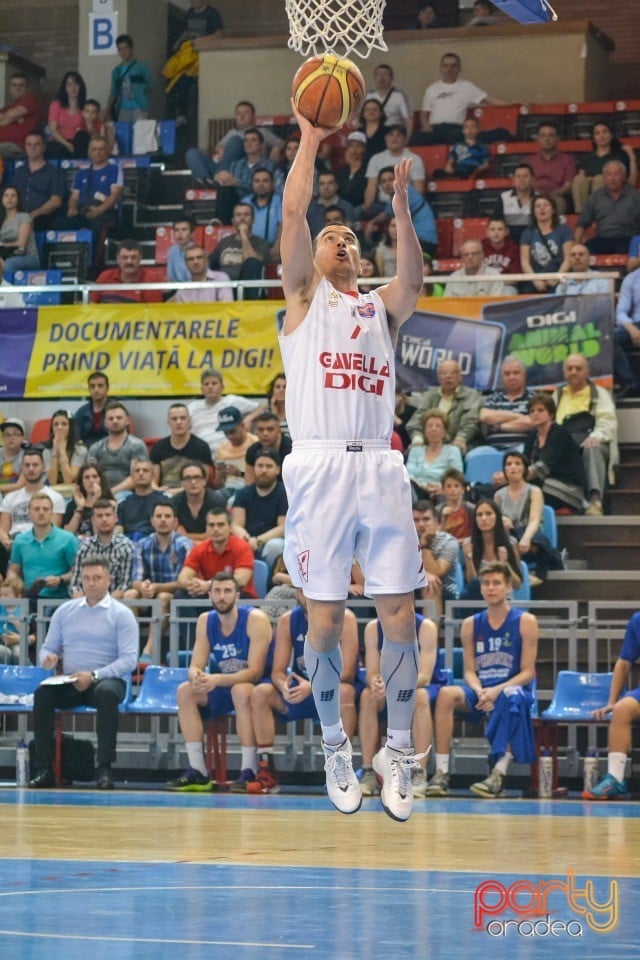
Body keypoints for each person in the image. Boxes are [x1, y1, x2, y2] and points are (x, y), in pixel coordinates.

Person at [278, 98, 427, 823]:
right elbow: (293, 215)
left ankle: (398, 750)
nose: (336, 240)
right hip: (318, 466)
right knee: (327, 622)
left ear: (359, 257)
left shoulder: (378, 307)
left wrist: (399, 207)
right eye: (330, 235)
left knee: (398, 612)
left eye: (346, 237)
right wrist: (308, 141)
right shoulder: (305, 299)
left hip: (381, 465)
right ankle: (336, 744)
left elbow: (415, 281)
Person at [425, 561, 538, 797]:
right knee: (446, 694)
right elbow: (469, 671)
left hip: (512, 691)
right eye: (486, 583)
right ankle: (442, 773)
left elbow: (528, 672)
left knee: (511, 696)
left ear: (509, 587)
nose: (491, 588)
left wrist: (495, 691)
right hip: (480, 693)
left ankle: (498, 774)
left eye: (497, 583)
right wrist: (479, 691)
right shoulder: (470, 625)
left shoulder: (526, 621)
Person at [28, 556, 138, 790]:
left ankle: (105, 768)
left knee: (108, 694)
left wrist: (95, 675)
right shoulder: (65, 611)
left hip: (106, 680)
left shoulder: (122, 614)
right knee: (43, 694)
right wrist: (48, 658)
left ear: (109, 580)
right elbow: (48, 647)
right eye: (86, 578)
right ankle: (44, 769)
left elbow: (129, 660)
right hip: (71, 679)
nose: (91, 583)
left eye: (97, 578)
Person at [166, 572, 272, 792]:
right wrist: (197, 677)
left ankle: (248, 769)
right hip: (224, 686)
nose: (222, 597)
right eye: (217, 591)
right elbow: (195, 665)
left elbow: (254, 672)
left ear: (237, 595)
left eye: (227, 591)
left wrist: (216, 679)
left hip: (258, 689)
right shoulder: (206, 620)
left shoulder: (255, 619)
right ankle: (198, 772)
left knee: (241, 691)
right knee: (185, 691)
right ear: (209, 595)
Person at [248, 590, 358, 795]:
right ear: (297, 593)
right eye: (302, 591)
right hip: (301, 693)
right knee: (260, 693)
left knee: (346, 692)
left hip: (330, 692)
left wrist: (314, 685)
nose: (307, 595)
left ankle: (341, 768)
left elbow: (349, 672)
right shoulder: (287, 620)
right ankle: (266, 768)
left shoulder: (346, 617)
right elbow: (278, 672)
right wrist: (282, 685)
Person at [360, 611, 444, 798]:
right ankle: (368, 772)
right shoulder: (373, 628)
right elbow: (371, 672)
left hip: (418, 687)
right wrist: (375, 681)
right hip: (389, 689)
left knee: (420, 697)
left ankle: (418, 773)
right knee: (368, 695)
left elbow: (425, 676)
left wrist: (395, 683)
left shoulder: (425, 627)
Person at [550, 352, 618, 516]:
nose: (573, 372)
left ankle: (595, 501)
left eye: (578, 368)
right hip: (564, 444)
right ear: (564, 372)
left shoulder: (599, 393)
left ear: (587, 372)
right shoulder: (557, 395)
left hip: (591, 440)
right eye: (569, 368)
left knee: (592, 448)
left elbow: (608, 423)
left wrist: (595, 436)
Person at [125, 500, 192, 662]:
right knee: (129, 594)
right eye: (159, 516)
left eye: (167, 516)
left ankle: (148, 652)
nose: (163, 520)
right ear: (152, 520)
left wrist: (157, 587)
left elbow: (183, 582)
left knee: (163, 597)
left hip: (173, 599)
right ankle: (132, 650)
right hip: (148, 596)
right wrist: (144, 587)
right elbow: (135, 579)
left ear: (175, 521)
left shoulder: (184, 545)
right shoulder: (142, 544)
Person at [583, 611, 640, 800]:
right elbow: (624, 663)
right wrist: (612, 702)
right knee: (622, 709)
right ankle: (615, 778)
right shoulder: (637, 620)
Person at [494, 451, 564, 585]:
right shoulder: (498, 495)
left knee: (533, 541)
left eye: (517, 464)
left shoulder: (534, 491)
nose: (513, 467)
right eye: (509, 464)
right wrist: (501, 520)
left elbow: (535, 521)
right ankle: (520, 575)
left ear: (525, 468)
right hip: (509, 537)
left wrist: (525, 538)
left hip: (531, 536)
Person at [55, 134, 123, 265]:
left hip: (105, 213)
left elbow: (114, 196)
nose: (98, 152)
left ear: (108, 151)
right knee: (59, 223)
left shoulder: (114, 169)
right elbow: (74, 196)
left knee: (97, 227)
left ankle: (93, 266)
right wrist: (72, 208)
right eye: (94, 149)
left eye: (101, 149)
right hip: (83, 211)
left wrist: (99, 210)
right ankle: (64, 264)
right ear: (89, 152)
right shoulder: (81, 172)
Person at [415, 52, 509, 146]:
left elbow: (489, 99)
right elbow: (424, 114)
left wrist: (513, 103)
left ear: (459, 69)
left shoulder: (467, 86)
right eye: (446, 66)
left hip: (455, 130)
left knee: (496, 134)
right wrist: (425, 125)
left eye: (453, 66)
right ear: (441, 69)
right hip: (434, 130)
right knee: (414, 139)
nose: (449, 69)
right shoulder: (431, 89)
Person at [185, 101, 282, 184]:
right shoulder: (232, 132)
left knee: (236, 140)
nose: (242, 116)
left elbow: (283, 143)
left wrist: (277, 148)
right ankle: (206, 181)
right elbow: (218, 147)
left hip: (243, 167)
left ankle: (217, 179)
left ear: (253, 116)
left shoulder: (262, 132)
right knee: (191, 153)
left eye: (246, 113)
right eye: (238, 114)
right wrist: (220, 149)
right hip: (223, 165)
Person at [523, 392, 587, 514]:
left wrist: (512, 478)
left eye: (540, 410)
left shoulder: (559, 433)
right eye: (532, 411)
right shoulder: (532, 436)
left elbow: (543, 467)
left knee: (526, 491)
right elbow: (523, 463)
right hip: (543, 484)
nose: (535, 413)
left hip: (568, 488)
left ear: (551, 414)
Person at [7, 493, 78, 601]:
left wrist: (60, 579)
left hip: (59, 598)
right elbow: (13, 571)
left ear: (52, 513)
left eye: (46, 509)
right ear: (29, 513)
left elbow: (78, 571)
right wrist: (14, 586)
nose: (41, 513)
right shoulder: (20, 540)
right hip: (29, 598)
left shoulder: (68, 539)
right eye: (36, 509)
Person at [407, 358, 483, 454]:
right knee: (411, 452)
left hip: (460, 442)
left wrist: (461, 438)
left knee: (457, 452)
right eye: (444, 373)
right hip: (430, 443)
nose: (448, 376)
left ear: (460, 376)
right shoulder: (431, 395)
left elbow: (471, 421)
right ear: (438, 377)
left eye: (453, 373)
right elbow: (416, 420)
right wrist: (417, 439)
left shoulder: (471, 395)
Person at [177, 509, 257, 600]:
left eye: (221, 525)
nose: (215, 529)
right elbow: (182, 579)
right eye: (211, 525)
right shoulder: (199, 548)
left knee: (234, 593)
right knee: (182, 594)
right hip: (210, 594)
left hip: (238, 596)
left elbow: (241, 580)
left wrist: (209, 585)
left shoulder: (242, 547)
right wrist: (194, 585)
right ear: (206, 528)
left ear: (230, 528)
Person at [231, 447, 288, 571]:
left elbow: (283, 527)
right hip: (248, 540)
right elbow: (236, 524)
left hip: (269, 541)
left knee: (275, 546)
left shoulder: (284, 493)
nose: (264, 470)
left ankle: (268, 582)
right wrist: (245, 538)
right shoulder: (243, 493)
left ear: (278, 470)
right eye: (260, 466)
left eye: (269, 466)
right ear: (254, 468)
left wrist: (258, 541)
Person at [187, 367, 262, 459]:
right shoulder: (192, 407)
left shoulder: (232, 401)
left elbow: (262, 407)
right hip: (201, 455)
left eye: (214, 383)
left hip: (229, 452)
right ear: (201, 388)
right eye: (206, 384)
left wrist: (250, 417)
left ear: (222, 387)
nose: (210, 387)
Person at [170, 2, 224, 128]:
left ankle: (203, 116)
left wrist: (201, 41)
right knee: (182, 83)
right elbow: (187, 31)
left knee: (202, 86)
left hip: (206, 57)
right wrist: (178, 42)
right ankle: (182, 115)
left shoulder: (212, 13)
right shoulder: (189, 12)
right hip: (190, 57)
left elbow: (220, 34)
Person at [69, 498, 134, 599]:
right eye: (99, 516)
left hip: (115, 604)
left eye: (108, 515)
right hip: (87, 605)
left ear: (115, 518)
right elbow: (75, 585)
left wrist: (105, 605)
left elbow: (125, 585)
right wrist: (83, 605)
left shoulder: (126, 546)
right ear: (93, 520)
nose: (104, 519)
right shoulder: (84, 548)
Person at [0, 449, 65, 547]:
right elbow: (3, 530)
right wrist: (5, 541)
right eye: (27, 465)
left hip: (41, 543)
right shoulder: (10, 498)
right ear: (22, 468)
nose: (31, 469)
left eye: (35, 465)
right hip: (14, 543)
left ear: (43, 468)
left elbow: (53, 530)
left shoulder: (55, 497)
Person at [574, 160, 640, 256]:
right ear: (604, 177)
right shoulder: (595, 197)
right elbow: (581, 224)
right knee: (585, 251)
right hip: (603, 239)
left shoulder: (635, 197)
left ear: (624, 177)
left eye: (616, 174)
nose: (612, 178)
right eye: (609, 174)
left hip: (629, 238)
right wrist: (576, 246)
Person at [208, 203, 270, 301]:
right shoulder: (224, 242)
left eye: (246, 215)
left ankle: (251, 308)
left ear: (253, 220)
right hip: (225, 289)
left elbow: (254, 261)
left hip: (249, 289)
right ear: (233, 220)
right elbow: (211, 265)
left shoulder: (260, 242)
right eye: (238, 215)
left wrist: (244, 236)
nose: (242, 218)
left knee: (252, 263)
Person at [460, 499, 522, 599]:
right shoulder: (469, 543)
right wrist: (469, 559)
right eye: (479, 515)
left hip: (503, 599)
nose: (484, 518)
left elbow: (517, 584)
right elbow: (471, 582)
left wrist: (505, 564)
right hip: (478, 598)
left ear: (497, 517)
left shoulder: (511, 543)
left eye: (488, 514)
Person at [572, 120, 637, 214]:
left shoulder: (619, 156)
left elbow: (631, 183)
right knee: (579, 179)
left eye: (604, 132)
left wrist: (631, 156)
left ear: (611, 135)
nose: (601, 136)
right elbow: (581, 178)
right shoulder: (587, 157)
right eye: (597, 133)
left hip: (614, 194)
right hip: (588, 196)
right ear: (594, 138)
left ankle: (600, 213)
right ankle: (581, 214)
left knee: (600, 179)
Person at [87, 401, 150, 498]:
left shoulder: (137, 445)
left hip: (129, 494)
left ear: (127, 420)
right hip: (99, 494)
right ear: (105, 422)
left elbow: (136, 477)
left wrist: (110, 493)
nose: (115, 421)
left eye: (119, 418)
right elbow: (90, 475)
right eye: (111, 418)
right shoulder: (95, 447)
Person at [150, 402, 213, 495]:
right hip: (164, 495)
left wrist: (175, 492)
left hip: (192, 494)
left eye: (183, 418)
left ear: (189, 421)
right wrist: (157, 490)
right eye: (174, 419)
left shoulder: (202, 447)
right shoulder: (158, 447)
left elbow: (203, 481)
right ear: (168, 422)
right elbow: (153, 481)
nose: (178, 422)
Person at [9, 130, 65, 231]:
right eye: (29, 145)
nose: (32, 148)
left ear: (44, 147)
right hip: (18, 216)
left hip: (42, 217)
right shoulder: (18, 172)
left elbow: (56, 201)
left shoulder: (54, 172)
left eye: (36, 144)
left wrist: (33, 214)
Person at [413, 499, 460, 615]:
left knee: (431, 585)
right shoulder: (404, 541)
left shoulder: (449, 542)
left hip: (444, 590)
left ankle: (429, 633)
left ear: (436, 523)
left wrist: (424, 546)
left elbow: (437, 572)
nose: (421, 524)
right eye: (416, 520)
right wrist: (424, 575)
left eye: (426, 519)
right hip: (412, 586)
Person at [478, 355, 533, 453]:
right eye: (507, 374)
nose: (511, 377)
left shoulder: (533, 398)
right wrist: (519, 416)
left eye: (516, 373)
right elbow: (484, 416)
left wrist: (499, 426)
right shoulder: (494, 397)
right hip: (493, 448)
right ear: (502, 377)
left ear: (524, 375)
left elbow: (531, 423)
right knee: (473, 456)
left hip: (521, 448)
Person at [363, 124, 426, 211]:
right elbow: (371, 186)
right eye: (391, 135)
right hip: (382, 204)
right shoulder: (376, 159)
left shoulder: (415, 159)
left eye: (399, 136)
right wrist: (367, 207)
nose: (394, 139)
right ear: (385, 138)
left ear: (404, 139)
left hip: (406, 204)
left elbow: (419, 190)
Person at [520, 193, 573, 293]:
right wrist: (536, 280)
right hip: (535, 278)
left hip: (559, 276)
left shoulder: (565, 231)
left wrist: (557, 277)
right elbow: (525, 262)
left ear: (553, 210)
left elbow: (568, 259)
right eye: (538, 206)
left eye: (545, 205)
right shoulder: (527, 233)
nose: (542, 208)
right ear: (533, 212)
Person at [406, 409, 464, 500]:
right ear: (424, 430)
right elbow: (409, 475)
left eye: (438, 426)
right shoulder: (415, 451)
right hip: (416, 490)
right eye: (429, 426)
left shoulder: (453, 451)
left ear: (445, 431)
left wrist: (442, 487)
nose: (433, 429)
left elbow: (456, 477)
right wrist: (423, 486)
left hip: (440, 493)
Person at [91, 240, 164, 304]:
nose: (129, 261)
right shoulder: (105, 276)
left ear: (140, 258)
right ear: (118, 259)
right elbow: (92, 304)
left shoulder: (151, 281)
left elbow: (155, 315)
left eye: (133, 257)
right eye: (125, 257)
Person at [104, 34, 154, 123]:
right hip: (122, 109)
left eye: (126, 48)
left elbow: (151, 85)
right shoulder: (116, 71)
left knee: (140, 134)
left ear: (131, 48)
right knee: (123, 135)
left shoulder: (141, 67)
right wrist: (106, 110)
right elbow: (113, 92)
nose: (123, 52)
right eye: (120, 49)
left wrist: (142, 95)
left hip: (140, 108)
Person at [172, 461, 227, 542]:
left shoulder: (216, 500)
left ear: (204, 481)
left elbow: (217, 533)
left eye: (197, 477)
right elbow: (173, 533)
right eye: (188, 478)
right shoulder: (175, 501)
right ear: (182, 483)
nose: (193, 482)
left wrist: (186, 536)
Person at [528, 122, 576, 215]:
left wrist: (549, 196)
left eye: (551, 135)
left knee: (559, 202)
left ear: (558, 139)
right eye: (543, 136)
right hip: (534, 196)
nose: (547, 139)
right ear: (537, 139)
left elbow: (568, 186)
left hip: (556, 197)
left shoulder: (567, 160)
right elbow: (526, 183)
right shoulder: (529, 161)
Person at [116, 459, 168, 539]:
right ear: (132, 476)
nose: (141, 473)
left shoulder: (164, 501)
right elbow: (118, 532)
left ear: (153, 475)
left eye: (145, 470)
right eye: (137, 471)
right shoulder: (123, 503)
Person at [213, 407, 258, 497]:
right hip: (226, 490)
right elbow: (217, 485)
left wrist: (239, 473)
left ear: (242, 425)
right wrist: (219, 475)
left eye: (232, 431)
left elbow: (263, 478)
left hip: (250, 490)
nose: (229, 436)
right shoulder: (221, 449)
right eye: (225, 433)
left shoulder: (256, 444)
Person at [62, 463, 114, 538]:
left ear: (100, 480)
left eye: (94, 476)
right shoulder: (73, 505)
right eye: (87, 477)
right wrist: (79, 508)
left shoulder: (109, 504)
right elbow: (67, 536)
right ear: (82, 482)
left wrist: (96, 502)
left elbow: (103, 536)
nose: (91, 480)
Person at [42, 409, 88, 492]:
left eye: (64, 424)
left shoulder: (80, 449)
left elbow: (68, 481)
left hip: (75, 492)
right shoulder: (47, 451)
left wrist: (62, 451)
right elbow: (52, 482)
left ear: (71, 427)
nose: (59, 427)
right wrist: (55, 451)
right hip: (53, 493)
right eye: (56, 424)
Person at [241, 167, 283, 258]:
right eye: (257, 181)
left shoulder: (279, 201)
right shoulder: (245, 201)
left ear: (272, 184)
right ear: (252, 184)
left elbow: (283, 226)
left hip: (270, 249)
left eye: (265, 181)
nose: (261, 184)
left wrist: (277, 248)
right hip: (247, 246)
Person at [46, 71, 87, 159]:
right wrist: (67, 145)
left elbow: (87, 129)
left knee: (83, 140)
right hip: (59, 142)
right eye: (69, 84)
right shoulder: (56, 105)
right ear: (65, 88)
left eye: (76, 84)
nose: (73, 87)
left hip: (77, 143)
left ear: (81, 86)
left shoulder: (85, 107)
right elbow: (53, 130)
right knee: (56, 149)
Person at [244, 410, 292, 485]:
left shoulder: (291, 450)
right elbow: (249, 483)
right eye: (261, 429)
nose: (265, 433)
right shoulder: (252, 450)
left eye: (270, 429)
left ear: (279, 430)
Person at [492, 163, 537, 244]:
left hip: (534, 242)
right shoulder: (504, 197)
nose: (522, 180)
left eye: (525, 176)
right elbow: (496, 223)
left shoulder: (540, 199)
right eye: (518, 176)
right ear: (513, 180)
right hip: (509, 244)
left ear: (533, 179)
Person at [0, 185, 39, 276]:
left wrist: (2, 245)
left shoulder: (24, 217)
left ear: (18, 200)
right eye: (6, 195)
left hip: (27, 257)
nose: (9, 199)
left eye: (13, 196)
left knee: (9, 264)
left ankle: (7, 289)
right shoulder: (2, 221)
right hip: (5, 257)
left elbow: (21, 245)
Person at [0, 73, 41, 159]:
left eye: (21, 85)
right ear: (10, 89)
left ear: (27, 88)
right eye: (14, 85)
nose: (17, 88)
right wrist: (12, 118)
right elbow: (10, 115)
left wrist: (10, 117)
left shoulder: (30, 100)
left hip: (18, 147)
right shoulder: (6, 109)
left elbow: (13, 114)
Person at [367, 64, 413, 138]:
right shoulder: (369, 95)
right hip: (374, 131)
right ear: (375, 78)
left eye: (385, 75)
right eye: (378, 75)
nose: (381, 78)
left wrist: (408, 139)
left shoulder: (399, 95)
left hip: (393, 131)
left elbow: (409, 119)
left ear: (392, 78)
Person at [614, 265, 640, 397]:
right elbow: (620, 313)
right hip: (636, 325)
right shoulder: (632, 279)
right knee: (608, 337)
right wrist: (631, 329)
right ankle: (630, 383)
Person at [306, 171, 356, 238]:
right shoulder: (310, 209)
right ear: (317, 187)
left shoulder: (347, 207)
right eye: (322, 184)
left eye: (330, 183)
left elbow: (349, 234)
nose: (326, 187)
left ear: (336, 186)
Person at [73, 371, 112, 447]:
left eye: (100, 386)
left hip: (110, 450)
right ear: (89, 389)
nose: (96, 390)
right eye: (92, 386)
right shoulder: (82, 412)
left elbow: (123, 437)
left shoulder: (116, 410)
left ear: (107, 388)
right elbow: (75, 437)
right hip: (86, 451)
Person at [436, 468, 474, 540]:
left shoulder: (470, 509)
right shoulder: (438, 510)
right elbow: (437, 538)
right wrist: (443, 518)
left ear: (462, 489)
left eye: (456, 486)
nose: (453, 489)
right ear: (443, 490)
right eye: (449, 486)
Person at [0, 576, 30, 665]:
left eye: (6, 595)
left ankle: (23, 671)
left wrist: (16, 622)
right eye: (0, 594)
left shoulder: (21, 610)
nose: (2, 598)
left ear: (18, 597)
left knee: (18, 653)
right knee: (4, 654)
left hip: (15, 641)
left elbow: (25, 630)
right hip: (1, 640)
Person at [335, 131, 368, 209]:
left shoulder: (367, 170)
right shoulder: (341, 171)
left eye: (359, 146)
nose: (354, 149)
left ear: (364, 149)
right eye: (351, 146)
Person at [0, 418, 27, 495]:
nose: (11, 438)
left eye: (15, 434)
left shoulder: (27, 457)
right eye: (7, 434)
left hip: (17, 495)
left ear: (22, 438)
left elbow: (19, 485)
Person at [166, 216, 197, 282]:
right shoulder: (172, 251)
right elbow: (170, 276)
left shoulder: (199, 252)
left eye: (184, 229)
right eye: (177, 230)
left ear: (192, 234)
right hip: (176, 290)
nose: (179, 233)